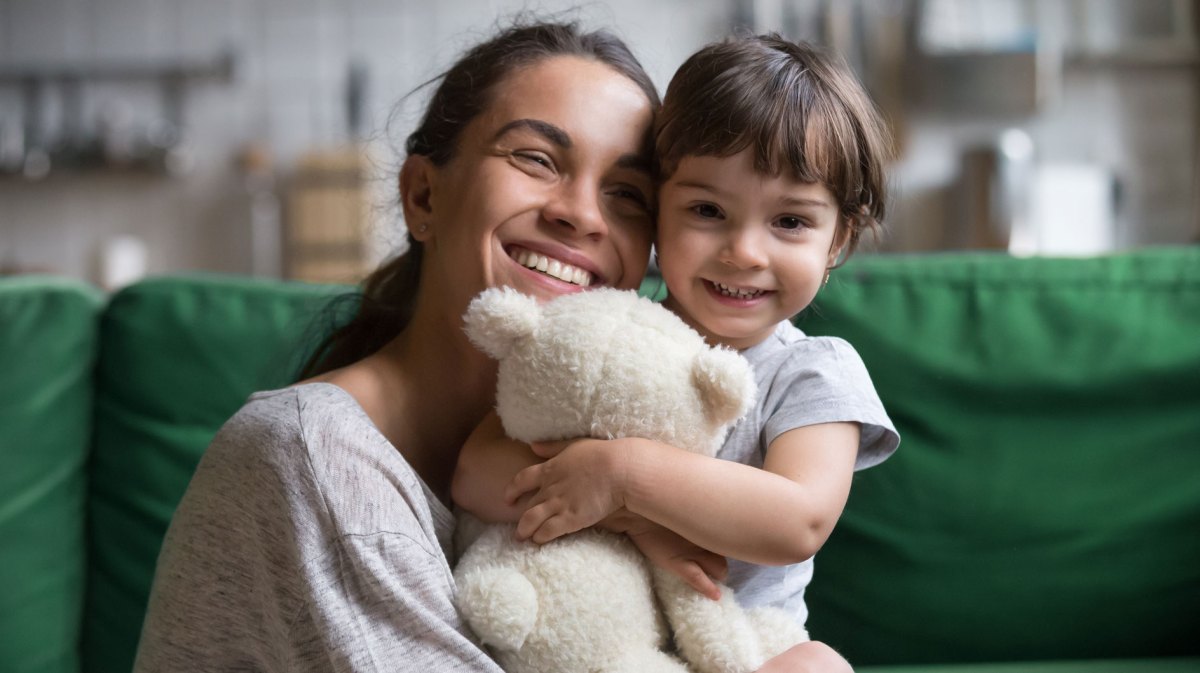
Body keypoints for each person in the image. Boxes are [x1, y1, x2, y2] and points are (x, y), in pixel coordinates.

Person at [133, 20, 661, 672]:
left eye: (628, 194)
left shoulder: (609, 469)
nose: (582, 214)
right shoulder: (310, 451)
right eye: (536, 158)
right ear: (422, 196)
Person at [453, 34, 899, 672]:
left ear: (837, 241)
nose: (744, 251)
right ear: (658, 211)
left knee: (819, 666)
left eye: (791, 222)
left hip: (745, 648)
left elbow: (795, 521)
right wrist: (633, 522)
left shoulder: (812, 370)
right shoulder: (606, 336)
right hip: (608, 643)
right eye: (707, 209)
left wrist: (627, 478)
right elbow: (476, 473)